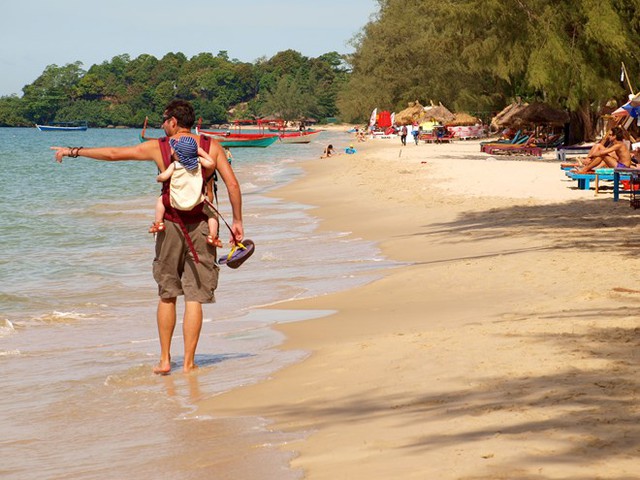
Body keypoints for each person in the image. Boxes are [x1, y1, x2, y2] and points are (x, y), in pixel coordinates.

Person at [52, 99, 243, 374]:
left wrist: (74, 151)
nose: (162, 125)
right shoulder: (212, 146)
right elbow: (232, 183)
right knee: (194, 297)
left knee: (167, 294)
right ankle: (189, 363)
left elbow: (116, 153)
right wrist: (237, 221)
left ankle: (165, 360)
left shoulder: (160, 147)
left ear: (173, 122)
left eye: (163, 120)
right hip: (203, 224)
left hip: (170, 225)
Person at [151, 135, 222, 248]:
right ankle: (212, 236)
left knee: (160, 200)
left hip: (176, 202)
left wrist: (158, 178)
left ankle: (159, 222)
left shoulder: (175, 165)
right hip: (196, 203)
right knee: (213, 214)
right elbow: (212, 164)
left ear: (178, 155)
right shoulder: (199, 162)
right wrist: (201, 151)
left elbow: (163, 177)